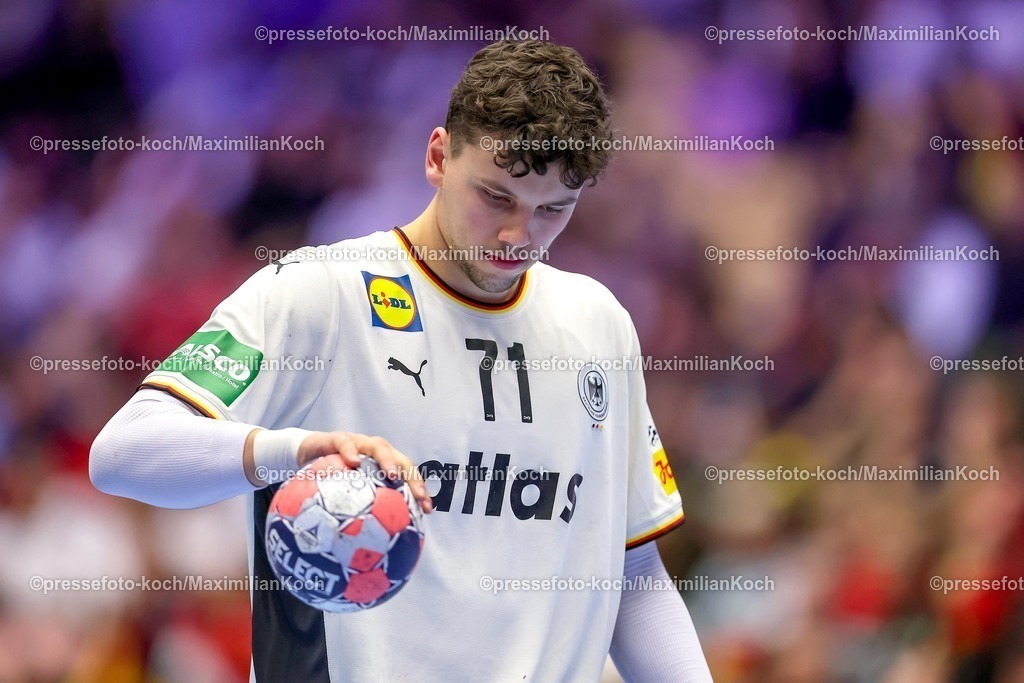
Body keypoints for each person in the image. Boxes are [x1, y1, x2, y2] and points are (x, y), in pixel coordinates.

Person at [90, 39, 713, 682]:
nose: (518, 236)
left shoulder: (599, 324)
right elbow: (120, 456)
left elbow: (632, 573)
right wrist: (293, 451)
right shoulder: (318, 293)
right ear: (438, 155)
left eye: (553, 210)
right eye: (497, 197)